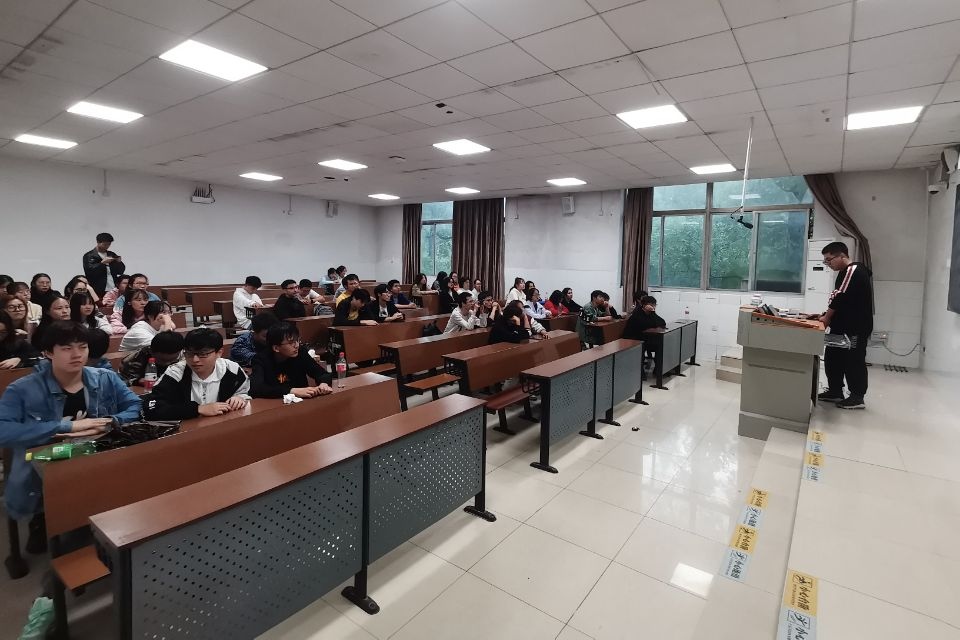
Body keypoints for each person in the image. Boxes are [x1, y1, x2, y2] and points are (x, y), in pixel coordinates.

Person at [0, 321, 140, 550]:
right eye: (66, 348)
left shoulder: (104, 377)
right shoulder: (22, 389)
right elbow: (3, 430)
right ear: (48, 353)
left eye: (82, 347)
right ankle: (46, 520)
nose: (77, 354)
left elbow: (134, 405)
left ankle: (92, 519)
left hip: (93, 450)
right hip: (45, 455)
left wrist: (110, 421)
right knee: (58, 476)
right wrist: (67, 427)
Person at [810, 242, 874, 409]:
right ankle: (835, 391)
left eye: (829, 259)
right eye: (825, 261)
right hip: (841, 325)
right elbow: (841, 301)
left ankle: (857, 397)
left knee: (854, 360)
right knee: (833, 356)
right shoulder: (843, 273)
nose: (827, 264)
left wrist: (827, 318)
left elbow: (839, 297)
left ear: (842, 256)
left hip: (855, 327)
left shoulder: (853, 270)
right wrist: (825, 315)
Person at [144, 328, 250, 419]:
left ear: (219, 353)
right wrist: (197, 409)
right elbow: (151, 408)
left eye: (203, 354)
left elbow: (246, 393)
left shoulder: (232, 370)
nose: (195, 360)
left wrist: (240, 398)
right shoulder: (175, 373)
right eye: (189, 354)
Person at [250, 322, 334, 399]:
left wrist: (324, 384)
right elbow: (256, 389)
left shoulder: (300, 352)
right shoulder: (260, 360)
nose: (296, 345)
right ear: (276, 348)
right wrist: (291, 391)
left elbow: (322, 374)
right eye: (291, 343)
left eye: (297, 340)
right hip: (275, 404)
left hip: (303, 401)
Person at [82, 232, 125, 297]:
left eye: (109, 244)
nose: (107, 246)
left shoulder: (111, 254)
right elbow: (89, 272)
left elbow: (120, 271)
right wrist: (102, 263)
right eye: (105, 244)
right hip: (97, 288)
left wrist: (119, 262)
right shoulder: (89, 255)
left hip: (113, 287)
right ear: (98, 242)